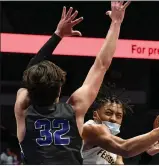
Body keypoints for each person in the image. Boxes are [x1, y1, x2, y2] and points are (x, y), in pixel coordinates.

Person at [14, 2, 131, 164]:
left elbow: (31, 69)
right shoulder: (75, 109)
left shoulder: (22, 108)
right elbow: (102, 64)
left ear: (30, 89)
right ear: (60, 89)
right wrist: (116, 22)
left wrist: (57, 35)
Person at [81, 93, 159, 164]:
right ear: (95, 115)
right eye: (108, 113)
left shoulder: (113, 147)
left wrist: (147, 155)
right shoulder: (91, 129)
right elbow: (125, 148)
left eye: (118, 116)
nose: (113, 119)